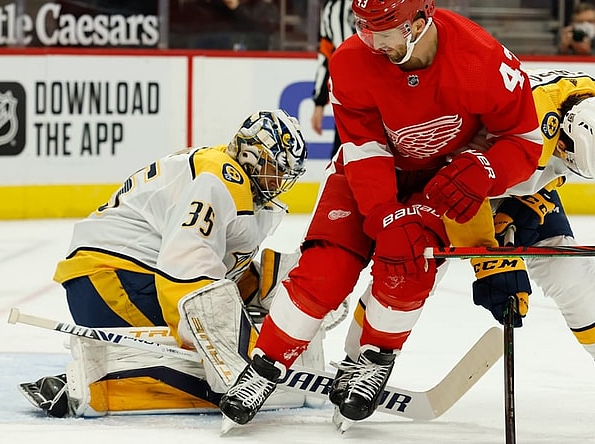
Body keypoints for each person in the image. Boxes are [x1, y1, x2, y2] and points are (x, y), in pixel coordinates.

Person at [219, 0, 543, 430]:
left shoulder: (482, 58)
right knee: (325, 269)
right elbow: (364, 149)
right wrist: (384, 214)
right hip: (365, 173)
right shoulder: (352, 61)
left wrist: (487, 168)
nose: (371, 41)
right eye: (364, 28)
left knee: (410, 262)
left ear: (420, 22)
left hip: (440, 180)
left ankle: (374, 357)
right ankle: (264, 366)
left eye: (383, 30)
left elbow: (524, 139)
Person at [18, 110, 315, 418]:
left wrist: (271, 284)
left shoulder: (222, 173)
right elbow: (186, 265)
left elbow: (214, 262)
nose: (279, 180)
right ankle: (97, 387)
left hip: (109, 277)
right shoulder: (220, 179)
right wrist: (224, 350)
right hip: (112, 281)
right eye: (274, 169)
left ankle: (105, 375)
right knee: (219, 370)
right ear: (252, 155)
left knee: (217, 348)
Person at [488, 68, 595, 422]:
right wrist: (495, 254)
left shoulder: (592, 109)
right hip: (465, 176)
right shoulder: (524, 117)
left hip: (517, 180)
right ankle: (368, 358)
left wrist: (514, 210)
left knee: (572, 273)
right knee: (421, 265)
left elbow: (551, 170)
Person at [311, 0, 355, 158]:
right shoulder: (331, 8)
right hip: (349, 98)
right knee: (342, 156)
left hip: (384, 93)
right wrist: (319, 102)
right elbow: (326, 57)